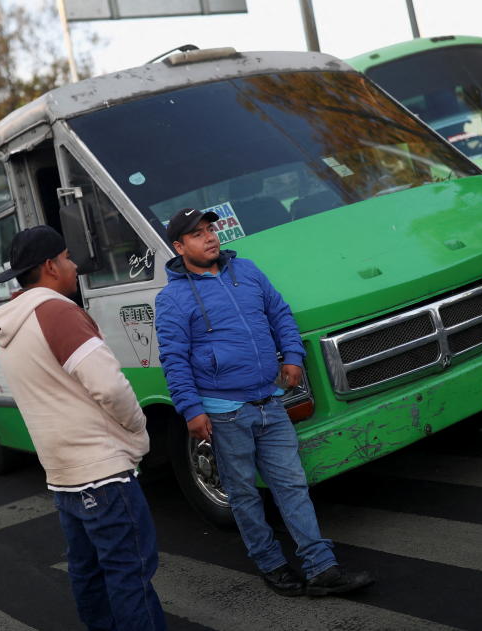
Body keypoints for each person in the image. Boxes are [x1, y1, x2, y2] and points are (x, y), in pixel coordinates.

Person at [154, 208, 374, 598]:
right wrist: (192, 410)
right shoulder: (172, 299)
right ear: (178, 246)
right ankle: (271, 563)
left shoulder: (248, 271)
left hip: (269, 402)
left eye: (210, 230)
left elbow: (279, 313)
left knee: (292, 485)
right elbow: (174, 359)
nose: (209, 238)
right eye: (197, 234)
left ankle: (321, 567)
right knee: (243, 495)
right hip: (224, 413)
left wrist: (292, 355)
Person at [0, 225, 165, 631]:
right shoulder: (58, 313)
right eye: (67, 258)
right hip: (103, 474)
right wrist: (139, 431)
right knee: (129, 575)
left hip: (64, 477)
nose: (73, 266)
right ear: (50, 266)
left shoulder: (11, 323)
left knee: (90, 576)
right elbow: (109, 386)